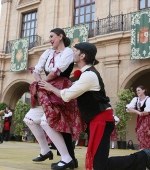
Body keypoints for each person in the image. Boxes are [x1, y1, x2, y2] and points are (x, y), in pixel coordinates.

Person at [38, 42, 150, 170]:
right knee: (97, 164)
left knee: (99, 166)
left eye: (76, 51)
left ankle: (143, 156)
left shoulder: (89, 75)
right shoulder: (86, 74)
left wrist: (50, 87)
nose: (73, 53)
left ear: (82, 56)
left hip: (101, 121)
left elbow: (67, 95)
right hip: (97, 121)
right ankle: (143, 157)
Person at [27, 28, 86, 169]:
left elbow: (55, 72)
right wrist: (41, 83)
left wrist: (43, 83)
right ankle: (46, 151)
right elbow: (37, 69)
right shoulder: (48, 52)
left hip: (60, 88)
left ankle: (69, 159)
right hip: (46, 87)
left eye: (52, 36)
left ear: (61, 36)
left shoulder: (68, 52)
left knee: (59, 123)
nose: (50, 39)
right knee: (30, 119)